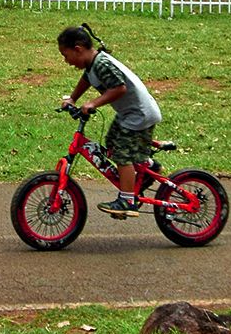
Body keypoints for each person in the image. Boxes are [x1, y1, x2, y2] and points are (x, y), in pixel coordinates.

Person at [57, 23, 162, 218]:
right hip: (130, 114)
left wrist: (93, 103)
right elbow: (87, 79)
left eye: (66, 55)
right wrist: (73, 99)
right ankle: (147, 166)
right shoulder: (93, 65)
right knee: (112, 143)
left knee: (122, 155)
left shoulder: (102, 64)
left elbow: (119, 88)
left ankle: (127, 200)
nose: (66, 61)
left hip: (139, 114)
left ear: (78, 49)